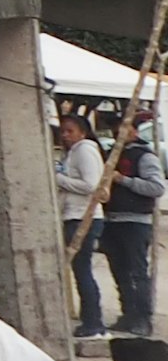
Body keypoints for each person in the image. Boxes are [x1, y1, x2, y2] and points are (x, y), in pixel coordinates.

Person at [106, 111, 165, 339]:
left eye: (123, 128)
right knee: (119, 270)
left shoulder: (144, 156)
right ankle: (127, 313)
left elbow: (156, 187)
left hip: (136, 221)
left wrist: (124, 180)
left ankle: (143, 318)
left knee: (137, 272)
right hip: (113, 219)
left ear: (133, 131)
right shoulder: (113, 153)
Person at [61, 107, 113, 336]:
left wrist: (60, 180)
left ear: (82, 132)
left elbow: (91, 185)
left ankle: (93, 322)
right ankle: (89, 319)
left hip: (84, 216)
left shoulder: (85, 151)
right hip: (72, 214)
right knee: (79, 270)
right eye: (62, 131)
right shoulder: (72, 152)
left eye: (70, 131)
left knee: (83, 270)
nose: (65, 135)